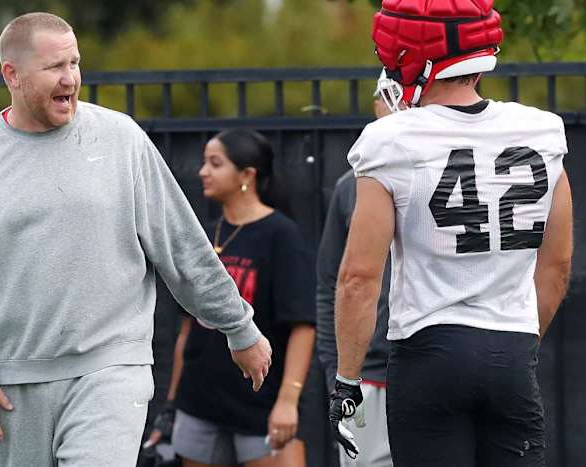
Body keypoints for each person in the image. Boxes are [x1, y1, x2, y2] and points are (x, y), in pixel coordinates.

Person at [0, 12, 271, 467]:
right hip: (5, 384)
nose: (70, 78)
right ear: (12, 74)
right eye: (54, 67)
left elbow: (181, 244)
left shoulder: (121, 139)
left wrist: (238, 325)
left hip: (110, 368)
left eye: (75, 62)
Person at [329, 1, 573, 466]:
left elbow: (359, 277)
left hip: (429, 353)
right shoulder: (543, 131)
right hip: (512, 350)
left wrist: (346, 379)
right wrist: (517, 342)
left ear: (409, 58)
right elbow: (557, 267)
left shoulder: (392, 139)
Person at [151, 129, 316, 467]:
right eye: (203, 163)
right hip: (199, 403)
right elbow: (188, 330)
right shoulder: (205, 233)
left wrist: (288, 400)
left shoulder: (281, 235)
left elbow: (302, 326)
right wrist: (171, 405)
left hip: (262, 403)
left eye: (215, 163)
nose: (202, 172)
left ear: (247, 175)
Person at [316, 71, 398, 467]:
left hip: (433, 366)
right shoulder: (351, 186)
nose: (393, 106)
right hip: (367, 374)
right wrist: (339, 372)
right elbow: (332, 282)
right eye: (384, 97)